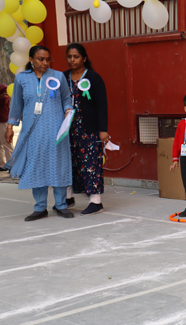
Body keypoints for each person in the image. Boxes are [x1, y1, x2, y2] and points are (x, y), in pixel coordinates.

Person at [5, 45, 74, 221]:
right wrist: (10, 126)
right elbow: (16, 105)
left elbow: (66, 98)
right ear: (31, 59)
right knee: (37, 167)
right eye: (40, 59)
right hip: (33, 132)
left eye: (47, 59)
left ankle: (61, 205)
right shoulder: (22, 78)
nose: (45, 63)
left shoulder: (58, 76)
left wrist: (67, 109)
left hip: (56, 131)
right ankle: (40, 207)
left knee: (58, 166)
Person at [64, 43, 109, 215]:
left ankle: (95, 201)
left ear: (84, 58)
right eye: (69, 56)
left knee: (90, 163)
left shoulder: (93, 78)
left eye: (76, 56)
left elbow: (101, 105)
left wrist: (103, 129)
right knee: (69, 162)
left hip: (88, 128)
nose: (72, 60)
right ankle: (68, 197)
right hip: (68, 128)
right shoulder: (63, 77)